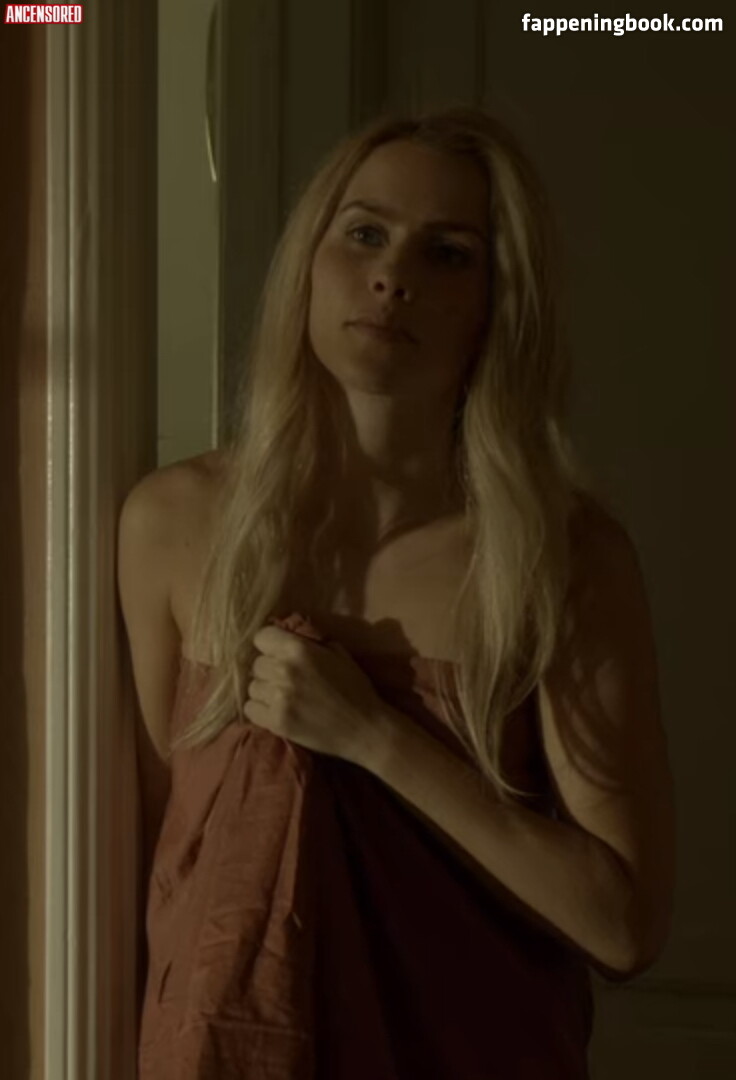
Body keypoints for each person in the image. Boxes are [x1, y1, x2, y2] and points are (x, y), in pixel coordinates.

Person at [118, 106, 676, 1079]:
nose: (392, 277)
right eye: (365, 234)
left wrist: (374, 737)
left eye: (447, 254)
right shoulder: (174, 522)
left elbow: (622, 925)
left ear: (499, 304)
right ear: (308, 261)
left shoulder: (561, 560)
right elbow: (145, 864)